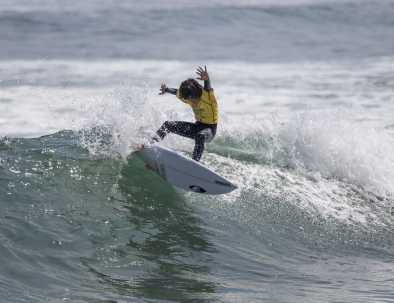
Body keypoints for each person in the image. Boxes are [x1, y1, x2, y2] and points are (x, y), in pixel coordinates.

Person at [152, 66, 218, 162]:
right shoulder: (188, 97)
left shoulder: (206, 95)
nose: (191, 101)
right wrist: (166, 89)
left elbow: (207, 87)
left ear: (197, 91)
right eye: (188, 99)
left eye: (192, 97)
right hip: (196, 127)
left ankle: (194, 163)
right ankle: (151, 144)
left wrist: (207, 79)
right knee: (168, 125)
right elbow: (176, 92)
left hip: (209, 130)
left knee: (200, 136)